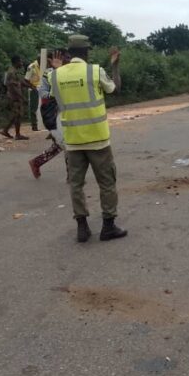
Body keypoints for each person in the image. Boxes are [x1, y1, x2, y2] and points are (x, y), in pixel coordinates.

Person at [51, 35, 127, 243]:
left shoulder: (56, 76)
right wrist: (115, 66)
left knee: (76, 184)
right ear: (87, 52)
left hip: (73, 141)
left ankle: (82, 228)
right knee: (107, 183)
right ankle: (108, 227)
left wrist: (57, 69)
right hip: (98, 140)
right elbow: (116, 89)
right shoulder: (95, 71)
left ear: (68, 53)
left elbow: (54, 98)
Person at [29, 50, 69, 179]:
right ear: (53, 60)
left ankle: (37, 162)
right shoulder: (49, 73)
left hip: (63, 114)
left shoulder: (69, 72)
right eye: (65, 58)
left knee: (61, 144)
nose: (67, 60)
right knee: (67, 144)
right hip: (55, 114)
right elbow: (43, 93)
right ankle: (72, 175)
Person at [3, 56, 30, 140]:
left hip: (15, 97)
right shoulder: (11, 72)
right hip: (14, 97)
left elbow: (20, 82)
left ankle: (6, 130)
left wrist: (31, 86)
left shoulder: (14, 71)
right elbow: (13, 87)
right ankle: (16, 134)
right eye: (20, 61)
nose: (21, 63)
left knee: (16, 115)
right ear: (16, 62)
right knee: (17, 115)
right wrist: (22, 97)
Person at [24, 54, 42, 131]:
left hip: (43, 89)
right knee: (34, 108)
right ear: (38, 59)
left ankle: (42, 124)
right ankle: (34, 125)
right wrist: (32, 87)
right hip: (34, 89)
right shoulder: (32, 67)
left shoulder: (44, 66)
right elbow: (26, 80)